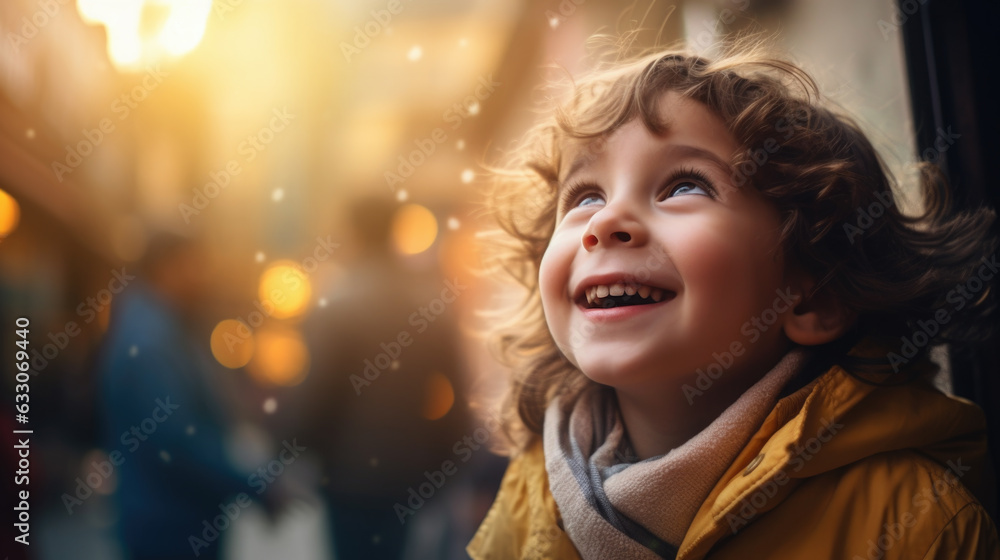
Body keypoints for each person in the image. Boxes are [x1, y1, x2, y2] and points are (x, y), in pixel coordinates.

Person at [467, 41, 1000, 559]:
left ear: (813, 295)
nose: (605, 222)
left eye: (683, 186)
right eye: (586, 196)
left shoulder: (915, 522)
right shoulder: (527, 492)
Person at [299, 195, 471, 559]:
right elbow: (456, 399)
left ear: (352, 234)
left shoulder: (336, 307)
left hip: (347, 479)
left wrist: (300, 452)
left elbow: (313, 399)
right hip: (409, 476)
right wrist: (441, 467)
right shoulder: (428, 306)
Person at [97, 233, 273, 560]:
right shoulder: (151, 340)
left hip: (169, 519)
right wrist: (256, 485)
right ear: (167, 268)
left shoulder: (161, 328)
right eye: (195, 265)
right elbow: (176, 441)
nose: (203, 276)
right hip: (169, 526)